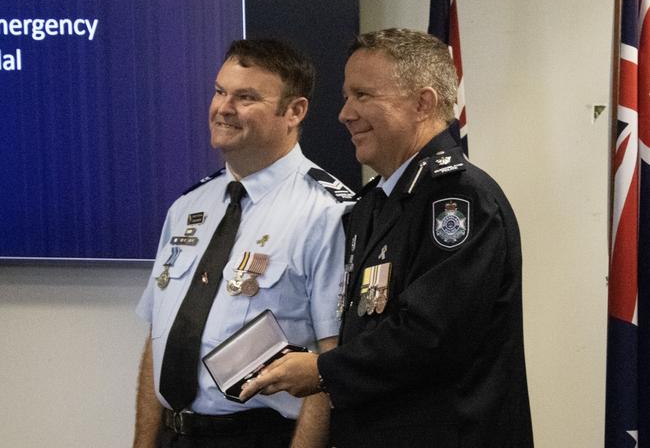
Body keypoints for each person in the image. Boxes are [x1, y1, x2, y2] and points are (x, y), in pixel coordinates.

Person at [241, 28, 534, 448]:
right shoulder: (374, 203)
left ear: (422, 103)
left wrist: (322, 371)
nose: (344, 113)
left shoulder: (458, 199)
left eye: (363, 95)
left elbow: (430, 337)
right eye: (346, 96)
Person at [133, 39, 354, 448]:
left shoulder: (326, 213)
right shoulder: (188, 206)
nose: (223, 108)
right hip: (174, 434)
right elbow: (159, 340)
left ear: (294, 111)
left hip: (258, 436)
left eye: (246, 97)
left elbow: (333, 364)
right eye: (220, 92)